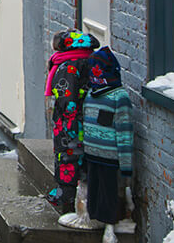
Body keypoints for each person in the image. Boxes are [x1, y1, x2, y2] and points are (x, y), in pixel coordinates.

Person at [60, 47, 133, 243]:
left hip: (110, 158)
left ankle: (109, 227)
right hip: (92, 155)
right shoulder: (92, 95)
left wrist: (126, 167)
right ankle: (95, 218)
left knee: (109, 192)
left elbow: (125, 133)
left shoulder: (119, 98)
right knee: (95, 189)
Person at [43, 30, 98, 210]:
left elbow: (66, 97)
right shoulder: (90, 60)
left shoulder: (68, 66)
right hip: (88, 118)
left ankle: (66, 195)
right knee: (81, 157)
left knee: (67, 154)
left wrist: (65, 118)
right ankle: (80, 194)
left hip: (70, 121)